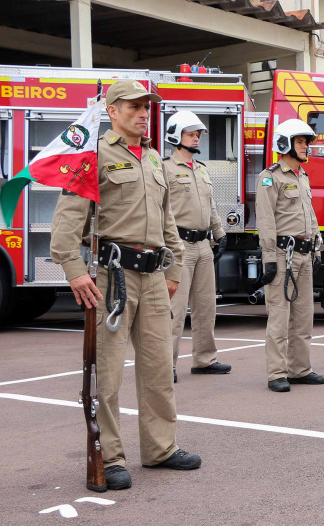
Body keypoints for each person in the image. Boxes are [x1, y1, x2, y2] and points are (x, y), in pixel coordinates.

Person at [50, 80, 199, 491]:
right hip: (112, 279)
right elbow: (67, 221)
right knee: (109, 374)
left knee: (158, 369)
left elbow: (168, 218)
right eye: (132, 106)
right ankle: (110, 457)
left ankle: (161, 448)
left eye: (145, 107)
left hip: (153, 276)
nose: (141, 113)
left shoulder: (154, 159)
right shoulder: (93, 155)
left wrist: (173, 268)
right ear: (112, 111)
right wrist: (74, 270)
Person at [256, 119, 324, 393]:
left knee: (303, 316)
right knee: (279, 317)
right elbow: (265, 221)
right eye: (300, 142)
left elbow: (311, 217)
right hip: (283, 256)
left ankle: (300, 369)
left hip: (304, 255)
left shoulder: (302, 176)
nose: (306, 147)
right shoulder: (270, 177)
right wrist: (269, 258)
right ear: (284, 144)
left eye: (306, 142)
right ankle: (276, 373)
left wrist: (317, 248)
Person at [162, 111, 230, 383]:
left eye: (198, 134)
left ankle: (204, 359)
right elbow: (159, 209)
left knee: (205, 307)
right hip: (178, 246)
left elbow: (210, 205)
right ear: (175, 137)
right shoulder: (164, 169)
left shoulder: (201, 169)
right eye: (191, 134)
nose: (196, 138)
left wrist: (219, 232)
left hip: (203, 245)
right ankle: (166, 364)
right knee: (174, 310)